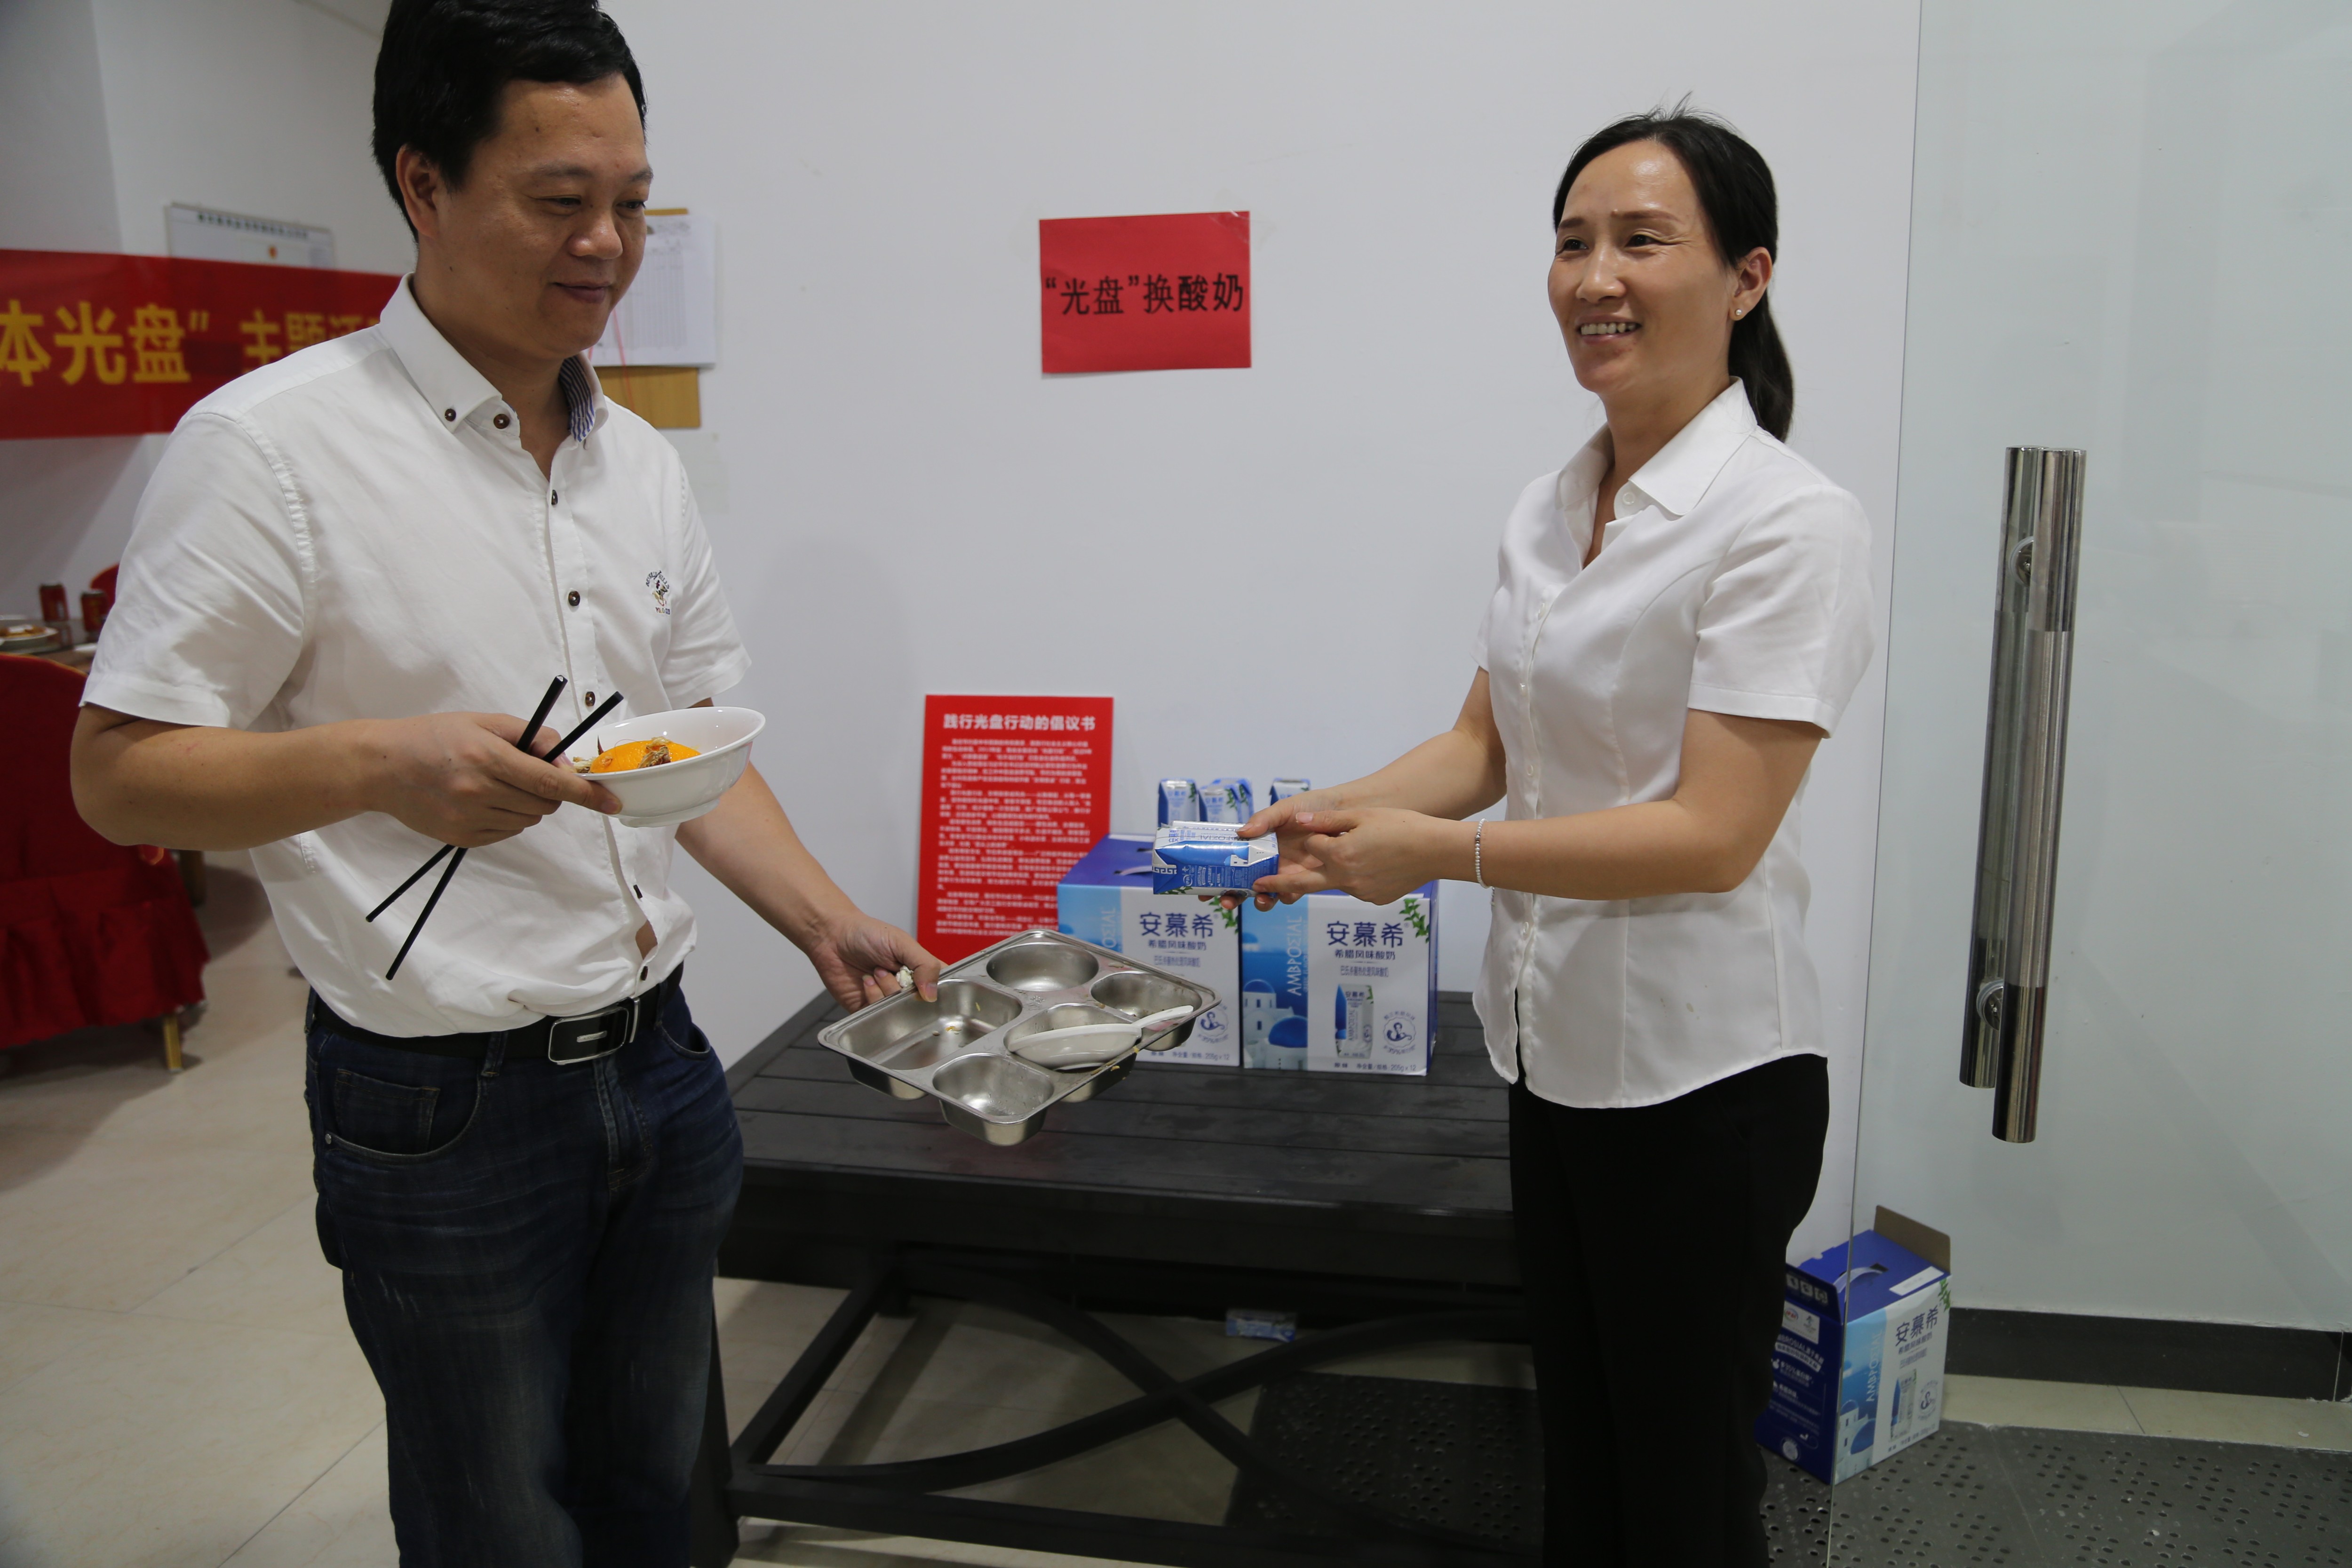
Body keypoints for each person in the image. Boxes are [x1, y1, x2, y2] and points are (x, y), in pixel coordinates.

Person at [68, 3, 937, 1562]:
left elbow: (689, 744)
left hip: (662, 1061)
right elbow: (120, 778)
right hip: (440, 1100)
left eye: (632, 203)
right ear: (424, 182)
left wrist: (824, 918)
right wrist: (377, 762)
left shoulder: (635, 460)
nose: (607, 245)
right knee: (496, 1523)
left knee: (660, 1492)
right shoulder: (271, 450)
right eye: (559, 201)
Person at [1234, 108, 1872, 1565]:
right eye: (1574, 242)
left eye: (1642, 241)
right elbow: (1487, 746)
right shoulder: (1553, 503)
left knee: (1683, 1493)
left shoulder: (1788, 523)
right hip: (1552, 1051)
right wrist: (1333, 815)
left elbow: (1713, 835)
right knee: (1584, 1455)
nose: (1596, 277)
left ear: (1749, 277)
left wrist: (1435, 857)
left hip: (1706, 1084)